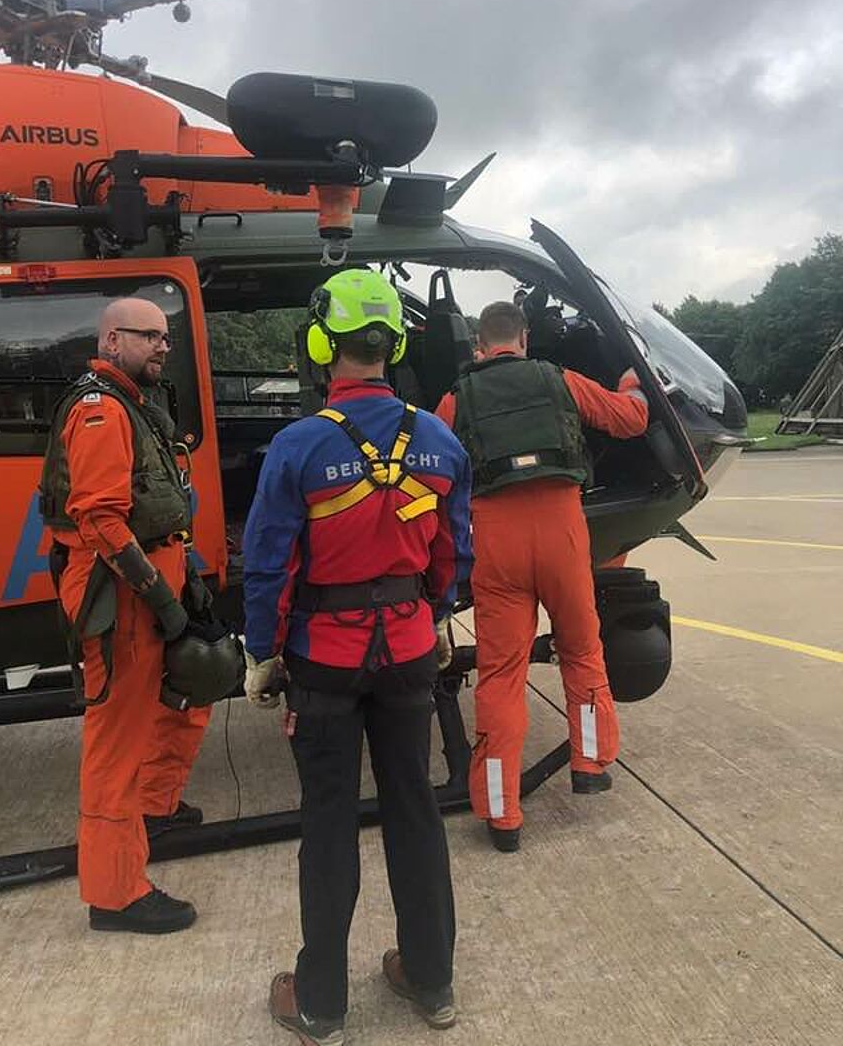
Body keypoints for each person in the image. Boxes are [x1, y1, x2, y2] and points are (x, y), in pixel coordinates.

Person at [242, 269, 473, 1046]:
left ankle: (321, 1005)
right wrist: (436, 615)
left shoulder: (297, 445)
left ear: (321, 344)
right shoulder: (438, 439)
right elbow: (453, 550)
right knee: (415, 810)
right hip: (409, 651)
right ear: (394, 346)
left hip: (325, 661)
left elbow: (269, 564)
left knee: (329, 821)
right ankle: (432, 980)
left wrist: (262, 653)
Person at [436, 300, 648, 852]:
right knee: (582, 649)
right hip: (562, 532)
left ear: (480, 346)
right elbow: (631, 420)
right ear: (525, 339)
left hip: (496, 541)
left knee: (501, 675)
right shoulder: (561, 380)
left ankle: (502, 814)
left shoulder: (457, 398)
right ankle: (590, 763)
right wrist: (634, 382)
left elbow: (431, 466)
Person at [40, 297, 211, 932]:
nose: (163, 346)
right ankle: (115, 894)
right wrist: (161, 599)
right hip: (120, 597)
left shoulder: (135, 405)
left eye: (166, 337)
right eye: (149, 336)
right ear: (112, 340)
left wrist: (184, 581)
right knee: (117, 740)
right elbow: (102, 521)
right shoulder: (100, 410)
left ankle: (156, 806)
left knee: (190, 695)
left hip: (156, 576)